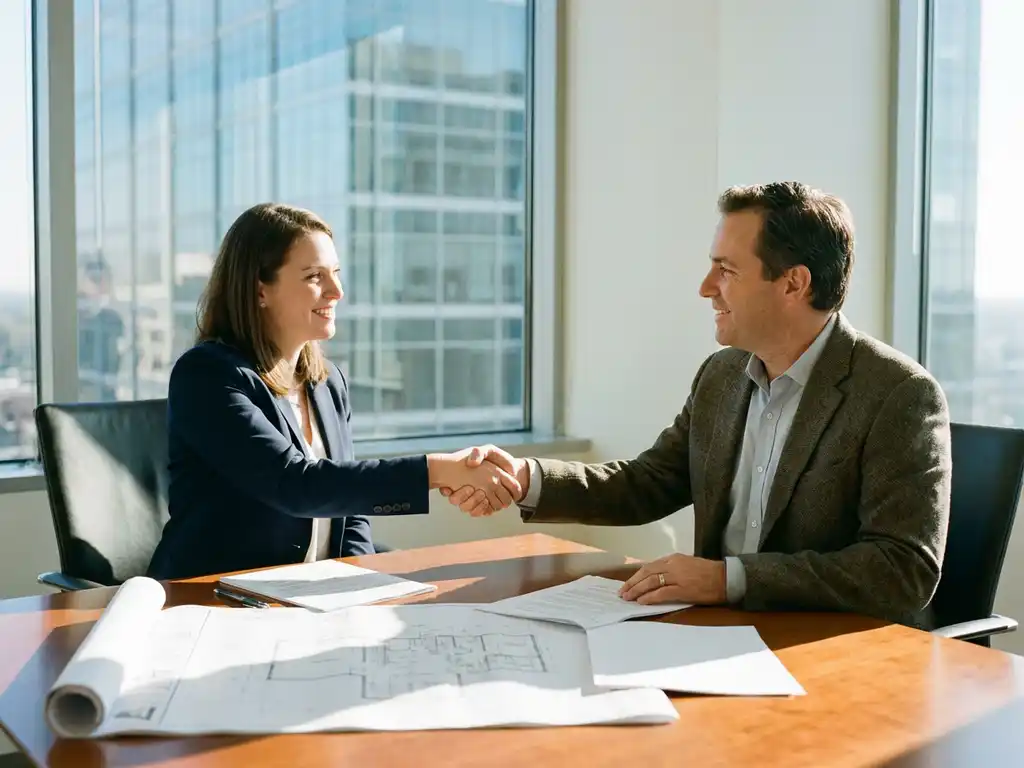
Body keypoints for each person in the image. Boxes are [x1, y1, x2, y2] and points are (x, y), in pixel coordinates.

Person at [443, 181, 952, 628]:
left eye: (726, 270)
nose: (706, 288)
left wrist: (727, 580)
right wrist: (525, 478)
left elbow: (900, 569)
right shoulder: (723, 375)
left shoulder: (899, 393)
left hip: (834, 654)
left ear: (794, 282)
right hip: (720, 634)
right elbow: (649, 483)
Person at [147, 203, 521, 580]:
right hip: (215, 601)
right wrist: (437, 471)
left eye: (336, 273)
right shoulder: (208, 376)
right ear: (260, 290)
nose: (337, 291)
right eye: (314, 276)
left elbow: (351, 513)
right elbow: (295, 484)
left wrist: (361, 587)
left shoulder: (328, 383)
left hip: (307, 599)